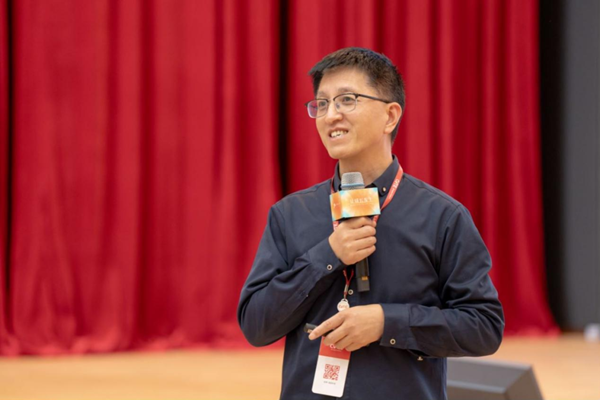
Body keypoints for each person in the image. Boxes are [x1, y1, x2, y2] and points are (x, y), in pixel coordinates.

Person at [237, 47, 504, 399]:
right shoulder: (290, 215)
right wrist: (327, 256)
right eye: (321, 104)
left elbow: (484, 327)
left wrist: (386, 323)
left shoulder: (442, 217)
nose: (331, 115)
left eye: (347, 100)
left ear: (390, 116)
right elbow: (256, 325)